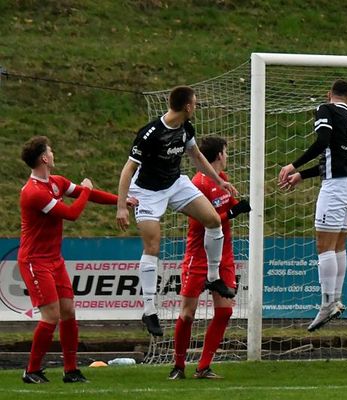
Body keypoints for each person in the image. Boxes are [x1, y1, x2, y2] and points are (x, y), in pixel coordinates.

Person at [116, 85, 237, 337]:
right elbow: (128, 169)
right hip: (147, 192)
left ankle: (213, 277)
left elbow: (196, 156)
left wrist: (218, 181)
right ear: (188, 106)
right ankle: (149, 310)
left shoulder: (186, 128)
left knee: (213, 221)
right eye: (196, 102)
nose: (197, 106)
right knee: (152, 247)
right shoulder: (150, 133)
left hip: (175, 183)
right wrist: (121, 206)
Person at [18, 136, 134, 383]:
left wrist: (122, 201)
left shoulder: (55, 182)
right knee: (51, 315)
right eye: (51, 150)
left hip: (53, 259)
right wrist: (88, 190)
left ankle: (70, 370)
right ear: (44, 158)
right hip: (34, 261)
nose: (54, 152)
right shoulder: (33, 192)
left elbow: (86, 195)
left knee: (68, 311)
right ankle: (31, 370)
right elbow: (72, 213)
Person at [278, 79, 347, 332]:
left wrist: (294, 165)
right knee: (338, 244)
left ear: (329, 95)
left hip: (336, 187)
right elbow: (339, 157)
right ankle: (335, 300)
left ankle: (327, 302)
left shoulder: (325, 109)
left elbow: (322, 141)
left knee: (324, 245)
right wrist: (303, 175)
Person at [169, 136, 251, 380]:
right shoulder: (196, 183)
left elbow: (230, 206)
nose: (227, 156)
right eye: (226, 152)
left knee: (225, 311)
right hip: (199, 255)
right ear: (218, 155)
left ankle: (203, 366)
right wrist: (233, 211)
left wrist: (240, 205)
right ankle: (178, 365)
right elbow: (203, 220)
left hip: (224, 254)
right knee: (187, 313)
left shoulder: (222, 179)